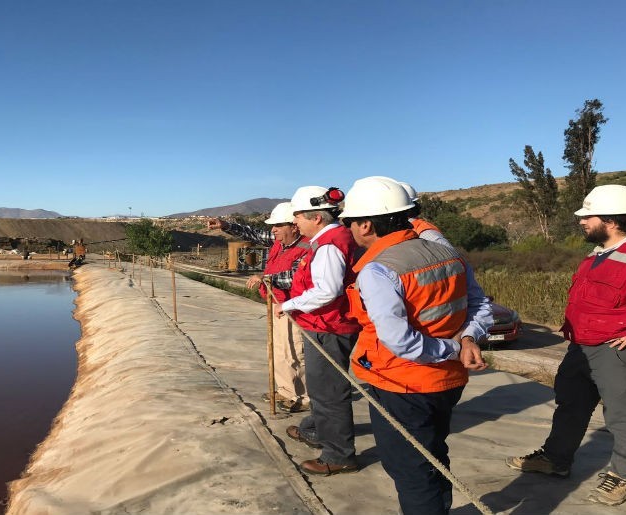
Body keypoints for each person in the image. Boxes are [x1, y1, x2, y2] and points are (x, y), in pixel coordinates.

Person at [338, 177, 492, 514]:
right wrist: (468, 339)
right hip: (448, 381)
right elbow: (481, 305)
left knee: (411, 470)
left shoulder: (379, 270)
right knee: (433, 455)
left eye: (349, 222)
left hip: (402, 384)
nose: (348, 229)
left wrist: (454, 347)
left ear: (365, 224)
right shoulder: (447, 253)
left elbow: (400, 342)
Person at [506, 184, 626, 507]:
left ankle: (623, 476)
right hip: (582, 346)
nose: (581, 221)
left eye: (587, 215)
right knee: (571, 404)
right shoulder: (599, 255)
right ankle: (556, 459)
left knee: (623, 414)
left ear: (611, 220)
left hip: (618, 350)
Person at [273, 185, 362, 476]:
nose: (294, 222)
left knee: (329, 392)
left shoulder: (329, 244)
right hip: (326, 324)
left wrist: (290, 305)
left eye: (297, 217)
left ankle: (339, 455)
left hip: (329, 327)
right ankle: (315, 429)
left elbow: (327, 290)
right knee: (323, 389)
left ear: (316, 218)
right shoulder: (332, 238)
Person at [207, 202, 311, 412]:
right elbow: (253, 233)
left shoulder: (307, 247)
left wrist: (266, 277)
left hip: (294, 309)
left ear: (294, 226)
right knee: (279, 351)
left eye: (278, 226)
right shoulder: (281, 241)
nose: (273, 230)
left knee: (294, 352)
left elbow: (295, 277)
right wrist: (225, 225)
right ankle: (285, 390)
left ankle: (301, 397)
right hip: (276, 304)